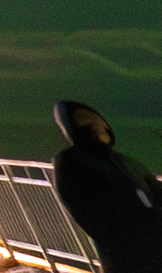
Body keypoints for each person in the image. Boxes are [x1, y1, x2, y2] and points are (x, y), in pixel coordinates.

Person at [53, 102, 162, 273]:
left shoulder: (127, 162)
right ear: (71, 128)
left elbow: (156, 192)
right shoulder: (70, 161)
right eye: (84, 120)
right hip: (128, 260)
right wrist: (135, 242)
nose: (97, 125)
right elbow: (88, 215)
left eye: (99, 120)